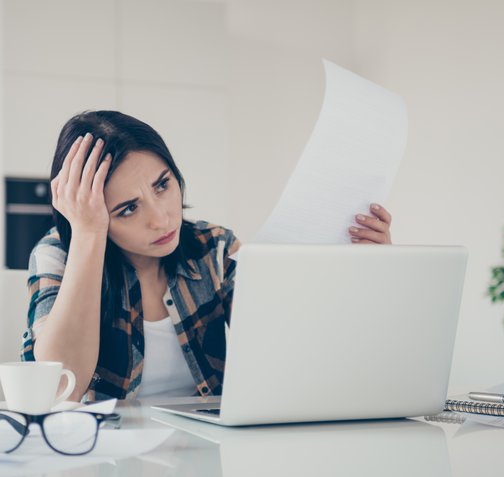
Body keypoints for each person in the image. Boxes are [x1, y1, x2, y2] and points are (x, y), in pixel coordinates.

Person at [22, 111, 392, 401]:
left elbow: (297, 348)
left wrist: (365, 272)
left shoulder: (213, 248)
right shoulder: (58, 255)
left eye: (162, 185)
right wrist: (88, 234)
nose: (161, 218)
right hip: (102, 459)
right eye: (128, 209)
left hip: (206, 456)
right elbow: (60, 388)